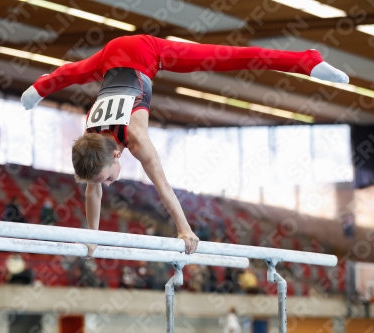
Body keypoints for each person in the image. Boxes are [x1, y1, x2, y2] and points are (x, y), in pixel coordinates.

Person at [21, 34, 349, 256]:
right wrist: (92, 238)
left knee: (229, 58)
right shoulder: (90, 148)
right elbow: (92, 190)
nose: (108, 183)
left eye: (107, 177)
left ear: (118, 153)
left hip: (147, 52)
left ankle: (308, 60)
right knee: (74, 72)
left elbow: (163, 186)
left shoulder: (136, 138)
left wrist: (183, 229)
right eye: (105, 180)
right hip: (112, 57)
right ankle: (40, 87)